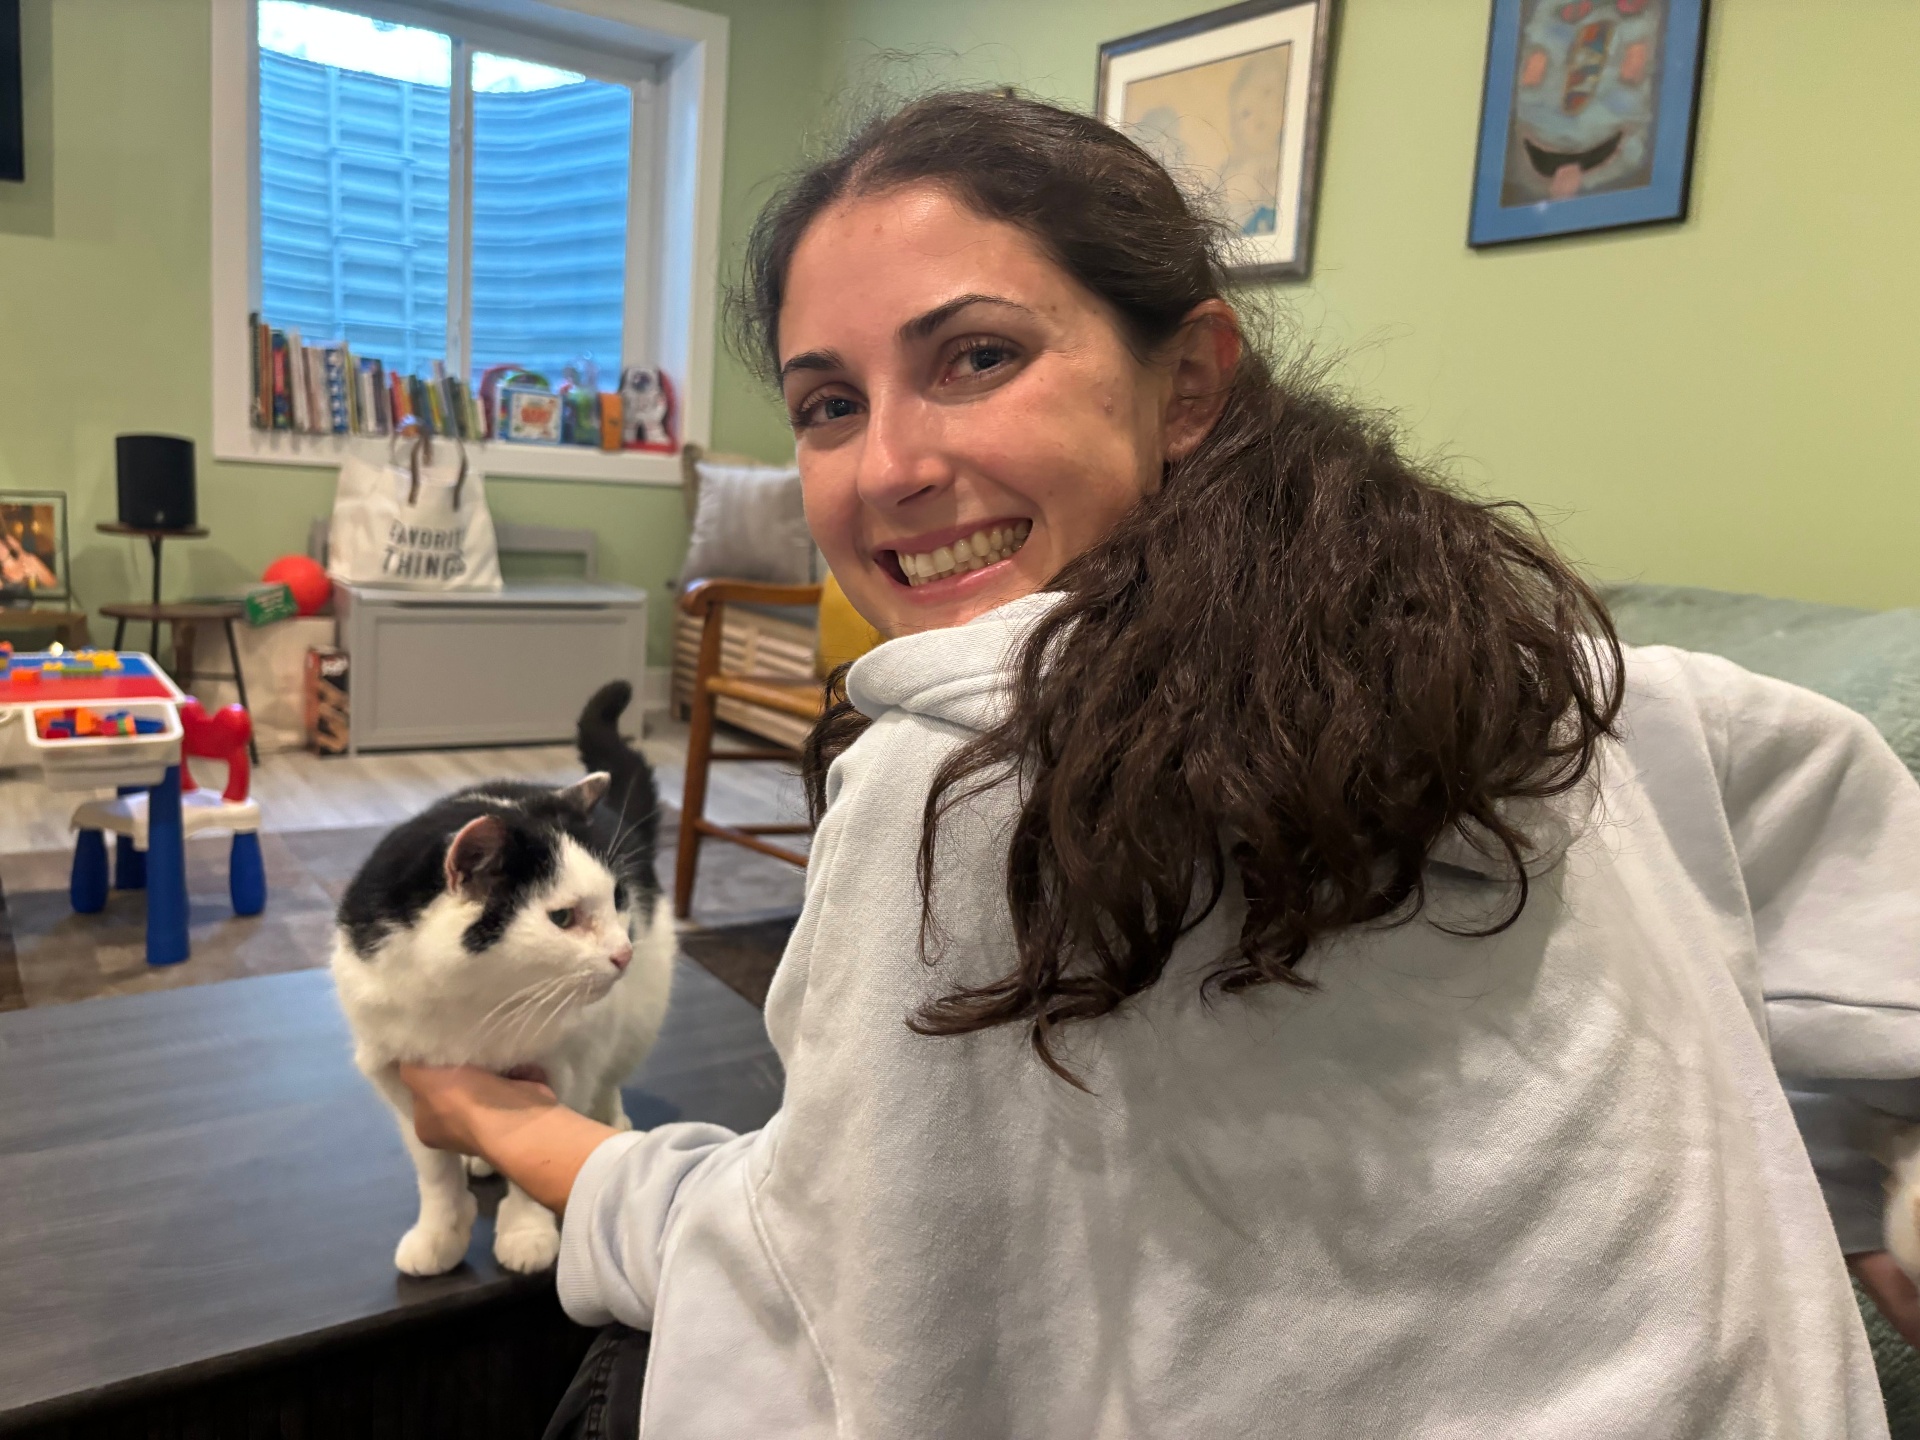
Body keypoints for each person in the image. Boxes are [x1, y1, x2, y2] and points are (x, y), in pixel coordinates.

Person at [399, 92, 1920, 1436]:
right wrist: (1872, 1169)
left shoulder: (959, 775)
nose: (891, 467)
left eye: (976, 358)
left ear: (1189, 380)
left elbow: (821, 1286)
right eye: (829, 405)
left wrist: (535, 1138)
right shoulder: (1578, 685)